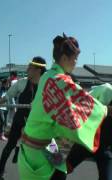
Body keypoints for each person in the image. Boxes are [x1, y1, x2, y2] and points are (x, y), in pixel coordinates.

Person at [17, 33, 110, 180]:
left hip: (42, 141)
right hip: (38, 146)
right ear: (65, 58)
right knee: (58, 176)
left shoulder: (48, 76)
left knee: (62, 171)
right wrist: (105, 110)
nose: (76, 63)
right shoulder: (59, 80)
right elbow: (84, 100)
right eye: (75, 59)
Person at [0, 57, 47, 175]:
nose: (27, 69)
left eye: (30, 68)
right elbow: (8, 96)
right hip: (20, 119)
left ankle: (58, 170)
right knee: (10, 144)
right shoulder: (22, 82)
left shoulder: (47, 86)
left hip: (38, 122)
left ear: (38, 70)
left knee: (49, 148)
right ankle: (0, 169)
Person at [64, 83, 112, 180]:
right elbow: (80, 103)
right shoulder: (106, 90)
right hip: (86, 142)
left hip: (104, 149)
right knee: (61, 170)